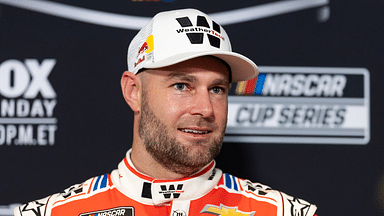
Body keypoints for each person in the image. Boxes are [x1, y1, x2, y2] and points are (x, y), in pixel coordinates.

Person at [14, 8, 317, 216]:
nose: (205, 109)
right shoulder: (53, 212)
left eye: (217, 89)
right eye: (182, 86)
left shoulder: (283, 212)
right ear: (134, 92)